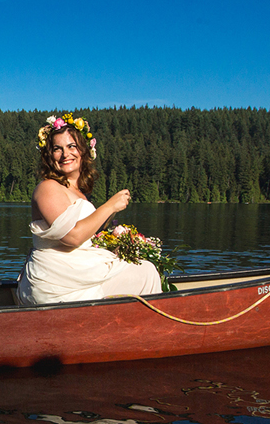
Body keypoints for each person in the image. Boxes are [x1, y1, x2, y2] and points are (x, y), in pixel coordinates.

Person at [16, 113, 161, 305]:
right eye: (57, 149)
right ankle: (149, 330)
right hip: (58, 281)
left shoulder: (77, 190)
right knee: (146, 272)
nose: (65, 154)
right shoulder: (48, 187)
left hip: (77, 271)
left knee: (142, 267)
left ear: (84, 151)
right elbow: (72, 236)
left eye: (71, 146)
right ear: (49, 155)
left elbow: (84, 235)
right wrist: (109, 206)